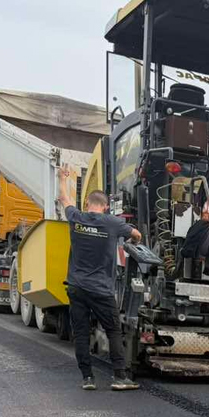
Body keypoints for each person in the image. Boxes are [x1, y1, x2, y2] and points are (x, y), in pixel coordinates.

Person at [58, 167, 143, 391]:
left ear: (87, 203)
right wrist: (132, 241)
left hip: (76, 287)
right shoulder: (112, 222)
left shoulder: (76, 217)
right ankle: (119, 377)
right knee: (113, 330)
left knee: (81, 333)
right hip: (101, 290)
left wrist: (62, 178)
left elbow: (64, 199)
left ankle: (87, 378)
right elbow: (137, 235)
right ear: (105, 206)